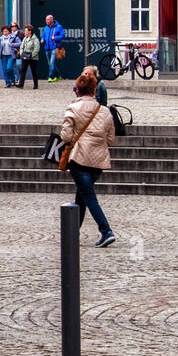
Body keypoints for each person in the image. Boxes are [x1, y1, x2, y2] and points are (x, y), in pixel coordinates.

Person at [60, 69, 117, 248]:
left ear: (77, 89)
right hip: (98, 161)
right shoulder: (104, 111)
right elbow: (110, 140)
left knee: (88, 197)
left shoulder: (73, 108)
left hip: (79, 159)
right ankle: (72, 232)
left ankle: (106, 230)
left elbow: (66, 137)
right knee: (82, 196)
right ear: (94, 90)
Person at [16, 24, 43, 89]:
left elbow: (36, 49)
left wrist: (31, 56)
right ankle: (21, 84)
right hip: (25, 57)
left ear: (30, 31)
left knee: (34, 72)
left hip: (33, 58)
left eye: (26, 31)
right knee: (23, 71)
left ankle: (35, 85)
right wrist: (22, 54)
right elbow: (21, 47)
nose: (25, 32)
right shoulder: (25, 38)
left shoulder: (35, 39)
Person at [41, 14, 66, 82]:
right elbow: (43, 36)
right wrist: (42, 39)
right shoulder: (46, 28)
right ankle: (58, 76)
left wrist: (55, 38)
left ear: (52, 20)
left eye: (48, 20)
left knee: (51, 63)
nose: (46, 21)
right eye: (46, 20)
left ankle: (51, 77)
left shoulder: (58, 27)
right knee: (51, 64)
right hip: (47, 48)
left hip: (55, 48)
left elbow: (63, 35)